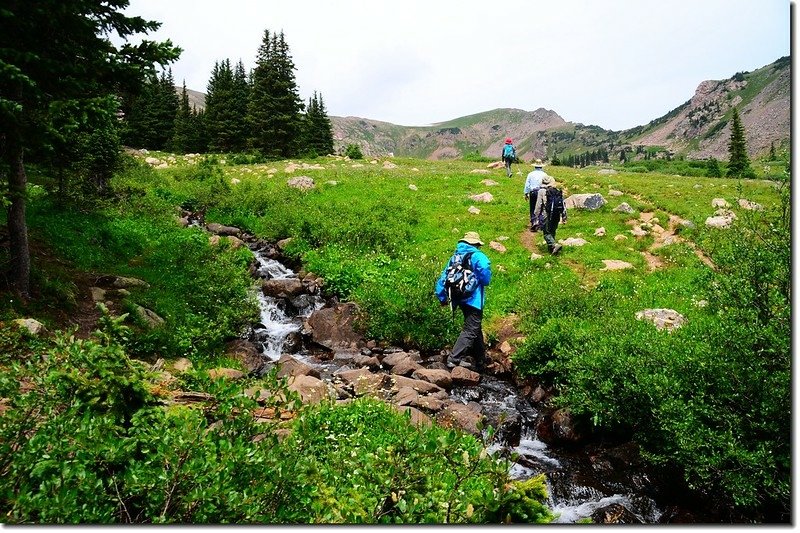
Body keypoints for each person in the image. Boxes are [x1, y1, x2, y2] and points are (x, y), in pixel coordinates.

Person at [435, 231, 492, 371]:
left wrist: (442, 297)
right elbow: (485, 271)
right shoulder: (477, 256)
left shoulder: (455, 256)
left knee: (475, 328)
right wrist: (484, 280)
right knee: (471, 328)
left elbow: (444, 277)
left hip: (459, 298)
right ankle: (453, 359)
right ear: (475, 244)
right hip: (473, 299)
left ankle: (480, 361)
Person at [533, 175, 568, 255]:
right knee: (552, 231)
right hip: (557, 214)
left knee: (546, 233)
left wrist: (536, 215)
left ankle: (554, 245)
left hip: (547, 214)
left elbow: (539, 205)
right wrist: (564, 216)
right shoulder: (556, 190)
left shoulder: (541, 191)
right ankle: (552, 251)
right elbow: (563, 203)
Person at [523, 159, 549, 231]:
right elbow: (547, 184)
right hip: (541, 192)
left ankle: (534, 221)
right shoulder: (544, 174)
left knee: (533, 207)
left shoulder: (530, 174)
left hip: (533, 192)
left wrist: (526, 193)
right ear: (541, 166)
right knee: (541, 207)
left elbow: (527, 185)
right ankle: (540, 223)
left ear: (535, 166)